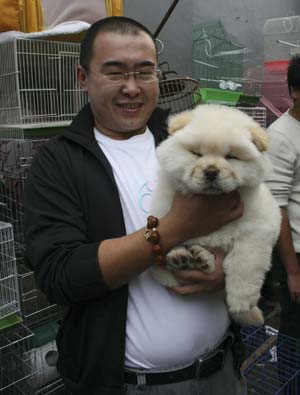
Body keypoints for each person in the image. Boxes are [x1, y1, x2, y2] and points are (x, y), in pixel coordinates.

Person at [24, 16, 246, 395]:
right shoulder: (58, 163)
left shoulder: (188, 139)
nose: (132, 88)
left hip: (223, 370)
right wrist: (174, 229)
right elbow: (60, 275)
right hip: (132, 385)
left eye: (144, 72)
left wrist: (230, 270)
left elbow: (243, 215)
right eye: (115, 73)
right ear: (83, 78)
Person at [266, 54, 300, 394]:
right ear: (294, 90)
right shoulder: (280, 137)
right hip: (296, 253)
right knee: (295, 332)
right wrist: (292, 271)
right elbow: (277, 209)